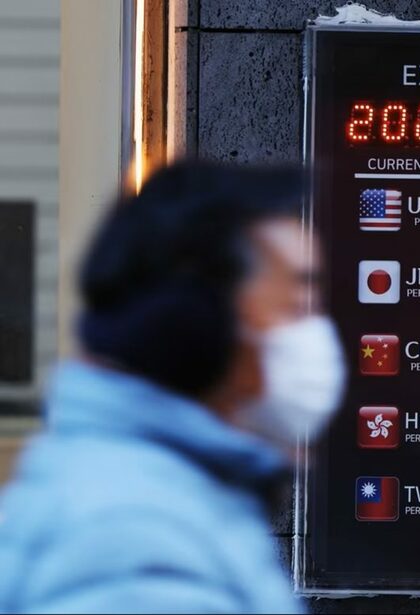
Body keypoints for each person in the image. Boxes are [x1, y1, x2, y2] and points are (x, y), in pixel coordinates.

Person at [0, 161, 346, 613]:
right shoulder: (137, 536)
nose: (314, 333)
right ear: (199, 320)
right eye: (296, 304)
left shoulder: (155, 497)